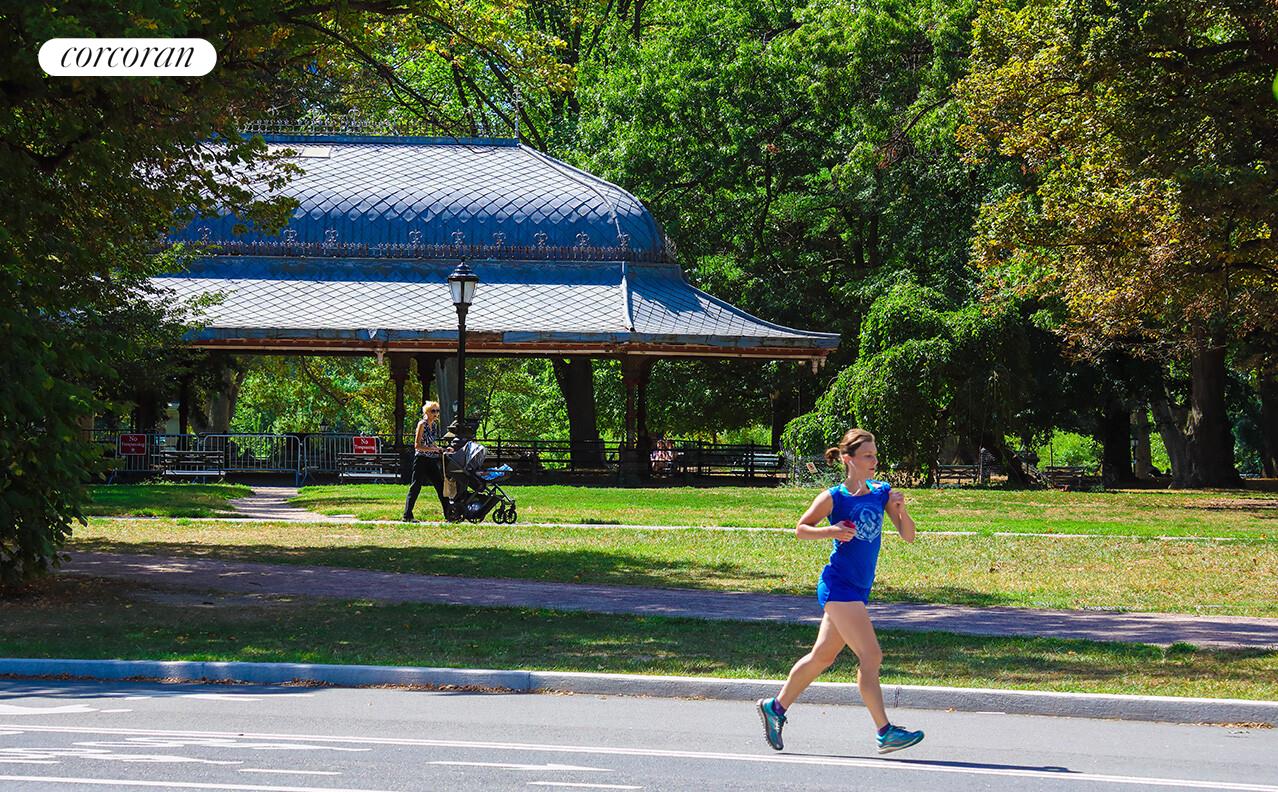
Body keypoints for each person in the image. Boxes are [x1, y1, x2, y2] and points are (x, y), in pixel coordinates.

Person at [755, 427, 924, 755]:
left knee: (823, 657)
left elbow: (908, 536)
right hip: (838, 587)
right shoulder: (834, 497)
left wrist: (901, 510)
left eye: (875, 455)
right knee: (871, 656)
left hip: (858, 589)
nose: (874, 461)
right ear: (848, 459)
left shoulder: (881, 492)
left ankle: (775, 707)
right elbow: (801, 529)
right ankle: (885, 732)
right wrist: (831, 530)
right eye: (867, 456)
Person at [401, 401, 447, 522]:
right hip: (421, 459)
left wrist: (440, 449)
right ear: (426, 412)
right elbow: (417, 446)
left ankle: (449, 514)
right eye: (433, 411)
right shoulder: (422, 424)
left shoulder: (434, 426)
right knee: (416, 486)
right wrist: (434, 449)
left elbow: (431, 443)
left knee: (440, 485)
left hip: (431, 459)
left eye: (437, 411)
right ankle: (407, 515)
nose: (436, 413)